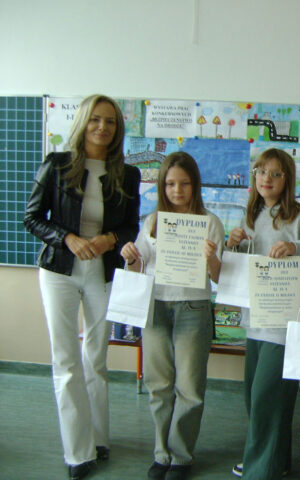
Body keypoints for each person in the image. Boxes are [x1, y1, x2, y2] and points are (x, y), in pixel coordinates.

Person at [24, 94, 141, 480]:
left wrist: (110, 239)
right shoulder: (56, 165)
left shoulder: (127, 174)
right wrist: (68, 238)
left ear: (117, 128)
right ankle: (78, 452)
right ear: (83, 122)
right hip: (59, 270)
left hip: (102, 272)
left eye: (110, 121)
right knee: (66, 360)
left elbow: (131, 226)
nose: (102, 127)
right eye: (95, 119)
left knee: (96, 358)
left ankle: (98, 438)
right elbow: (32, 217)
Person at [119, 152, 224, 480]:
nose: (177, 190)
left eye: (185, 183)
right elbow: (139, 267)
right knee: (158, 384)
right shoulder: (153, 221)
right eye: (170, 184)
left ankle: (181, 456)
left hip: (193, 308)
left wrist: (210, 258)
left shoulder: (209, 222)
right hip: (156, 306)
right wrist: (130, 257)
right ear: (162, 186)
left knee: (189, 387)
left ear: (195, 185)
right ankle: (161, 453)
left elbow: (219, 277)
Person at [226, 149, 300, 479]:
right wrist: (233, 245)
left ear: (288, 180)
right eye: (261, 171)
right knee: (257, 399)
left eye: (275, 173)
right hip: (255, 322)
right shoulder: (250, 218)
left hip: (285, 326)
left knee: (266, 400)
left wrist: (297, 249)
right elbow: (239, 271)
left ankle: (260, 471)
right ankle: (277, 460)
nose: (266, 178)